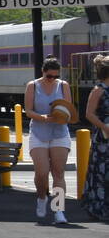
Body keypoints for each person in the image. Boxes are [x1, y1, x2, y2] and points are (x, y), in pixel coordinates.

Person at [25, 57, 73, 225]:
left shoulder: (63, 85)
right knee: (42, 172)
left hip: (59, 131)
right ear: (43, 72)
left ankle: (59, 210)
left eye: (55, 76)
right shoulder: (32, 86)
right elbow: (28, 110)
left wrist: (61, 115)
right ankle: (41, 197)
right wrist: (42, 117)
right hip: (39, 131)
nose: (52, 79)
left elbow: (69, 109)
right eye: (49, 76)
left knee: (58, 173)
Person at [81, 55, 109, 221]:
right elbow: (89, 114)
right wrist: (104, 126)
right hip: (104, 136)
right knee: (101, 171)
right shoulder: (98, 90)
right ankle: (98, 207)